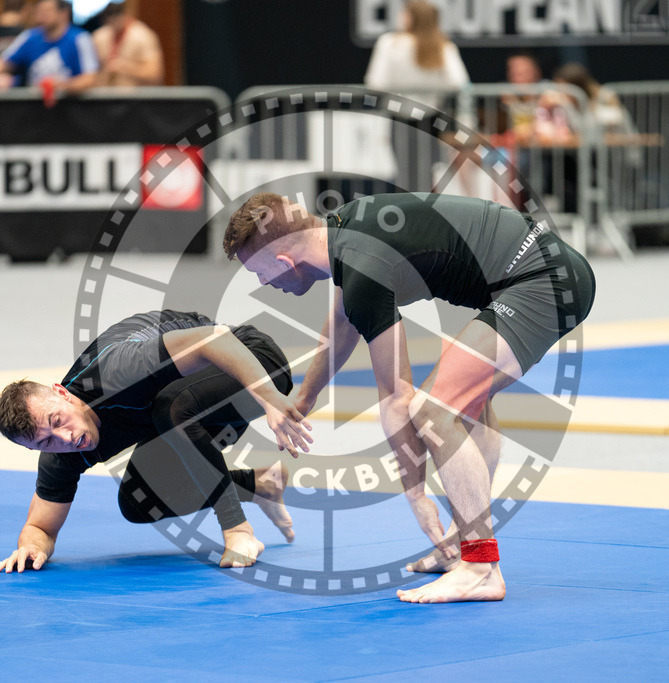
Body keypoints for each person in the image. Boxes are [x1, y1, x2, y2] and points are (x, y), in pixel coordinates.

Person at [223, 192, 596, 603]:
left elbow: (397, 397)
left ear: (284, 263)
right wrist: (305, 398)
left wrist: (417, 495)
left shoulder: (362, 267)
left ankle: (479, 566)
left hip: (544, 280)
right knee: (466, 402)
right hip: (546, 269)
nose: (263, 285)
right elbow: (344, 322)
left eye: (259, 274)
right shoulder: (341, 229)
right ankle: (461, 547)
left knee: (434, 411)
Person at [0, 310, 313, 574]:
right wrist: (30, 547)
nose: (66, 439)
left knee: (171, 407)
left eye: (57, 421)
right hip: (193, 412)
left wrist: (270, 398)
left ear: (63, 393)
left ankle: (239, 531)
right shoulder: (60, 453)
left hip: (251, 363)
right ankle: (259, 484)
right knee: (139, 503)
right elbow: (41, 528)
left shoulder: (116, 371)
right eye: (45, 443)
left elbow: (215, 339)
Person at [364, 0, 469, 191]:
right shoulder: (441, 45)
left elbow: (376, 82)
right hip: (430, 118)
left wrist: (404, 87)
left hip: (401, 117)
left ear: (410, 17)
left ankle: (412, 216)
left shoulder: (391, 44)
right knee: (427, 175)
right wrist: (431, 87)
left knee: (405, 174)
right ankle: (423, 214)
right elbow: (458, 81)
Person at [0, 0, 98, 98]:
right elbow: (2, 64)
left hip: (70, 112)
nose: (42, 16)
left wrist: (62, 85)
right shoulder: (30, 37)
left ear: (63, 13)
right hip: (35, 111)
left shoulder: (80, 38)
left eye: (47, 11)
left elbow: (90, 78)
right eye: (40, 11)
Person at [92, 1, 164, 87]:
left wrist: (125, 67)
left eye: (117, 17)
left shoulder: (143, 36)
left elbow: (154, 73)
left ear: (126, 15)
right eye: (110, 19)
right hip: (104, 94)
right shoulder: (99, 36)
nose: (114, 22)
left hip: (134, 96)